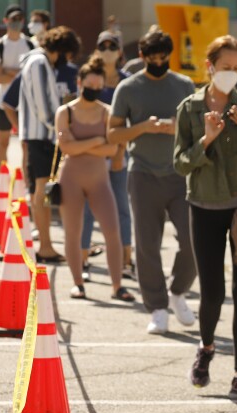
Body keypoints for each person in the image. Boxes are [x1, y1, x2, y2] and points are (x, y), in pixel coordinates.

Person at [174, 35, 237, 402]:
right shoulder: (190, 108)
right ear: (209, 66)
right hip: (204, 205)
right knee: (212, 293)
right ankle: (207, 347)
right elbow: (181, 163)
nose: (231, 73)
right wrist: (207, 139)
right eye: (225, 67)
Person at [108, 29, 197, 334]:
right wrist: (144, 127)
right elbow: (113, 133)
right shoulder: (129, 88)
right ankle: (157, 307)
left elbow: (197, 129)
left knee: (193, 239)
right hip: (142, 174)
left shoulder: (184, 84)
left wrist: (176, 128)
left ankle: (178, 292)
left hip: (180, 175)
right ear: (142, 57)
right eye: (153, 58)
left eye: (164, 58)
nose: (159, 62)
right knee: (147, 245)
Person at [54, 56, 134, 302]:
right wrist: (96, 142)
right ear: (79, 83)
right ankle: (78, 283)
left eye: (99, 87)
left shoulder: (106, 112)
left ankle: (117, 285)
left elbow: (112, 149)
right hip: (71, 180)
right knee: (73, 233)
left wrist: (83, 145)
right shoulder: (65, 112)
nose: (94, 90)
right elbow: (66, 148)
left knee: (112, 230)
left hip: (100, 180)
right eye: (90, 85)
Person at [19, 25, 80, 263]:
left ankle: (45, 243)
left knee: (41, 190)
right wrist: (61, 128)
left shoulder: (36, 62)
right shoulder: (39, 63)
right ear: (62, 50)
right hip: (42, 137)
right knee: (42, 191)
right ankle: (44, 245)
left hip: (40, 136)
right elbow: (44, 107)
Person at [80, 30, 133, 283]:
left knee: (121, 207)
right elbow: (75, 112)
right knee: (87, 211)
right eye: (104, 45)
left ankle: (126, 260)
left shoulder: (127, 82)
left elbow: (128, 122)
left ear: (121, 51)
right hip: (90, 156)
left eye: (113, 46)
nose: (109, 49)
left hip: (117, 155)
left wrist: (120, 152)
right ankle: (83, 260)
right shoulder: (90, 78)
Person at [0, 5, 33, 166]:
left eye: (19, 19)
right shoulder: (1, 45)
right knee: (3, 143)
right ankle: (2, 181)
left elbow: (32, 74)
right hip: (3, 103)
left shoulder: (30, 45)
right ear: (6, 21)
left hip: (25, 104)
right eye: (13, 19)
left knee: (26, 145)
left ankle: (26, 184)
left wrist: (9, 71)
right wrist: (20, 72)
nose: (16, 22)